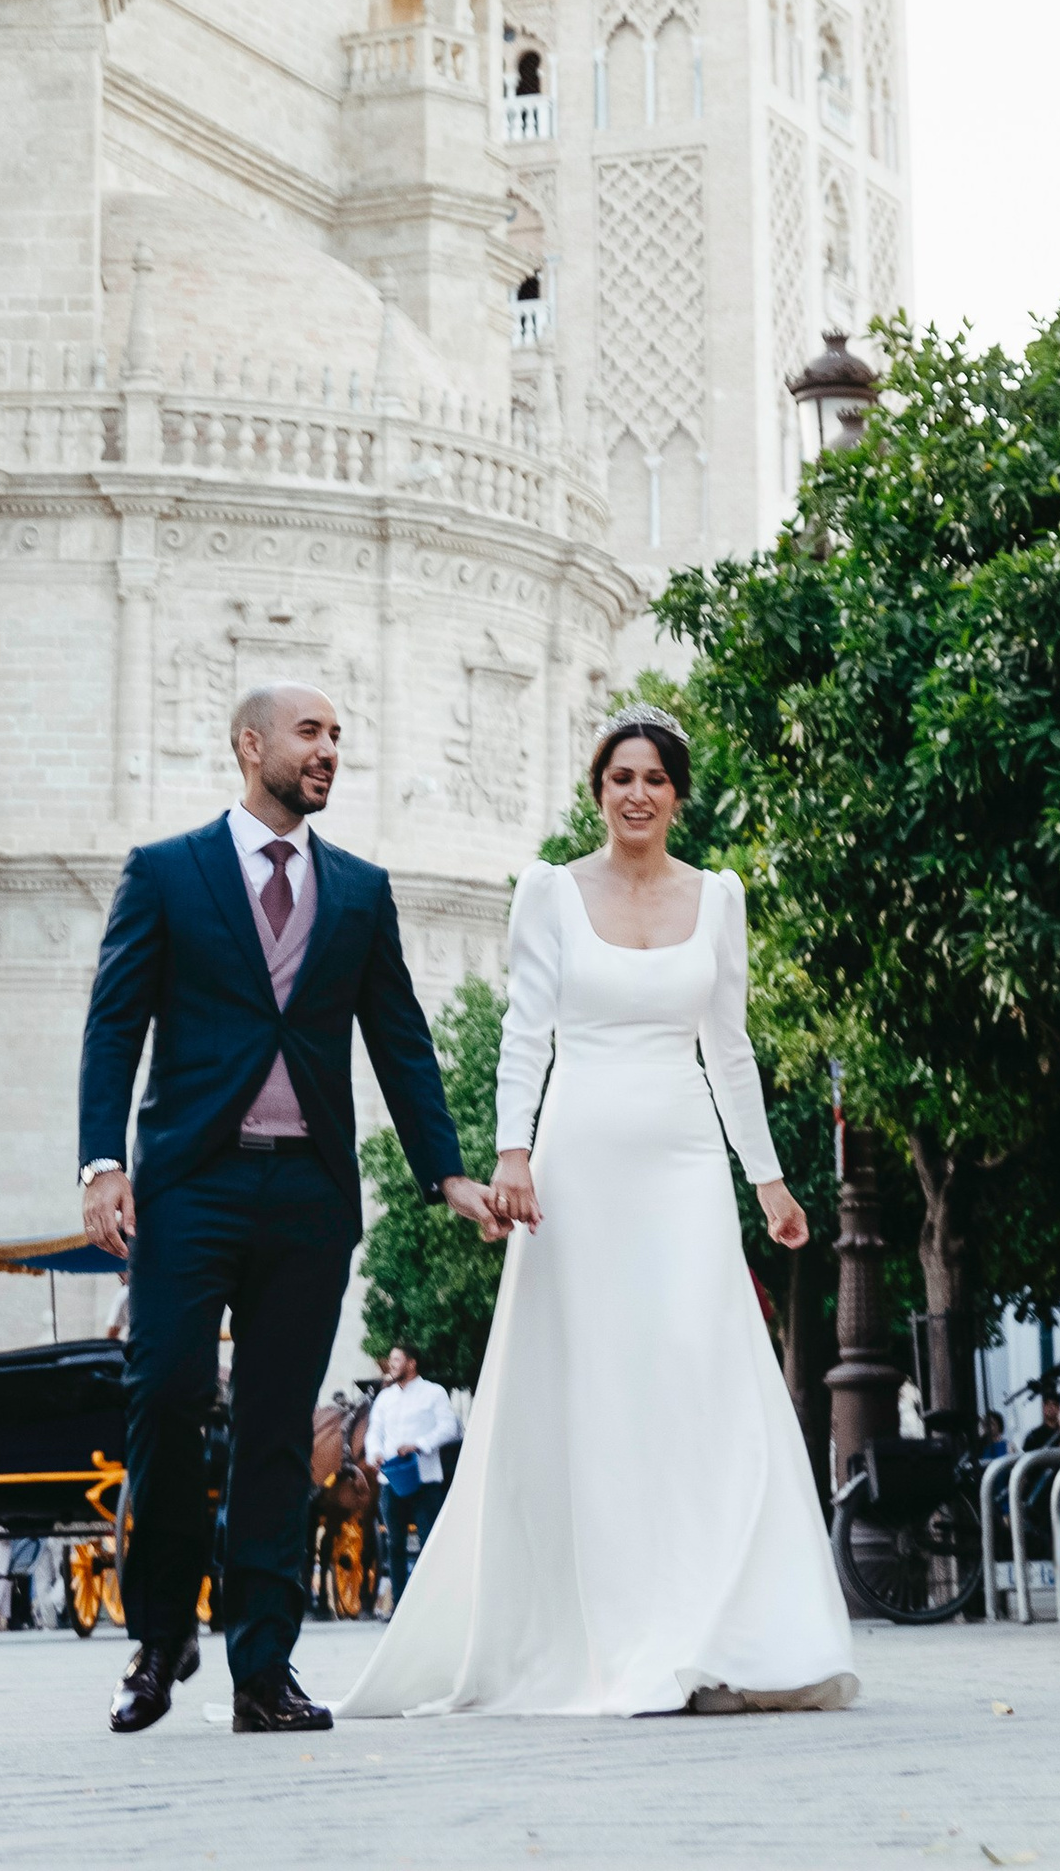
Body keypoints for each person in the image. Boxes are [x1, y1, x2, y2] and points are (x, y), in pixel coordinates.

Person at [345, 707, 860, 1719]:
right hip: (575, 1164)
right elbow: (525, 1033)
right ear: (597, 791)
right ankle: (605, 1632)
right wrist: (512, 1153)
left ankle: (718, 1627)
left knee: (695, 1376)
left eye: (655, 777)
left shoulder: (719, 898)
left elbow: (731, 1046)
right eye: (619, 776)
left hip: (681, 1163)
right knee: (591, 1391)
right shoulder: (548, 891)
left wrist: (766, 1178)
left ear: (677, 794)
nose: (636, 792)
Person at [76, 678, 501, 1738]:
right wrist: (100, 1161)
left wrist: (442, 1168)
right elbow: (114, 1021)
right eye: (310, 732)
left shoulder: (358, 890)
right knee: (166, 1395)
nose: (327, 751)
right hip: (190, 1183)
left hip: (308, 1193)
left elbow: (399, 1038)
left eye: (337, 736)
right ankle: (158, 1631)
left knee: (277, 1430)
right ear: (249, 742)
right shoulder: (167, 874)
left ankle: (262, 1668)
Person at [362, 1341, 460, 1604]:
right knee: (394, 1543)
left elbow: (450, 1427)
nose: (390, 1365)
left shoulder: (433, 1393)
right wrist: (374, 1454)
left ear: (411, 1363)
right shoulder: (385, 1398)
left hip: (425, 1480)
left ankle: (431, 1602)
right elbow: (375, 1432)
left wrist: (419, 1445)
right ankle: (400, 1603)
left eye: (396, 1360)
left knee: (429, 1543)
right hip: (391, 1480)